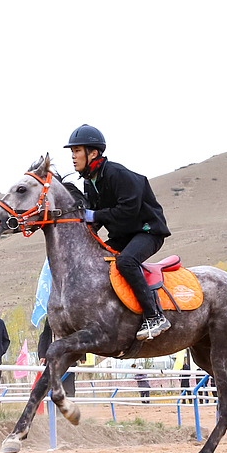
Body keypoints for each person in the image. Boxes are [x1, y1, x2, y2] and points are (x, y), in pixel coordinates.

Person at [66, 124, 172, 341]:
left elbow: (128, 210)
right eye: (72, 152)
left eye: (77, 151)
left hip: (148, 231)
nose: (73, 157)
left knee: (126, 262)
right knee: (94, 264)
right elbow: (97, 216)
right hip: (123, 235)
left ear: (93, 153)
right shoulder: (90, 181)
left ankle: (155, 316)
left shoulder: (117, 174)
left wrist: (95, 216)